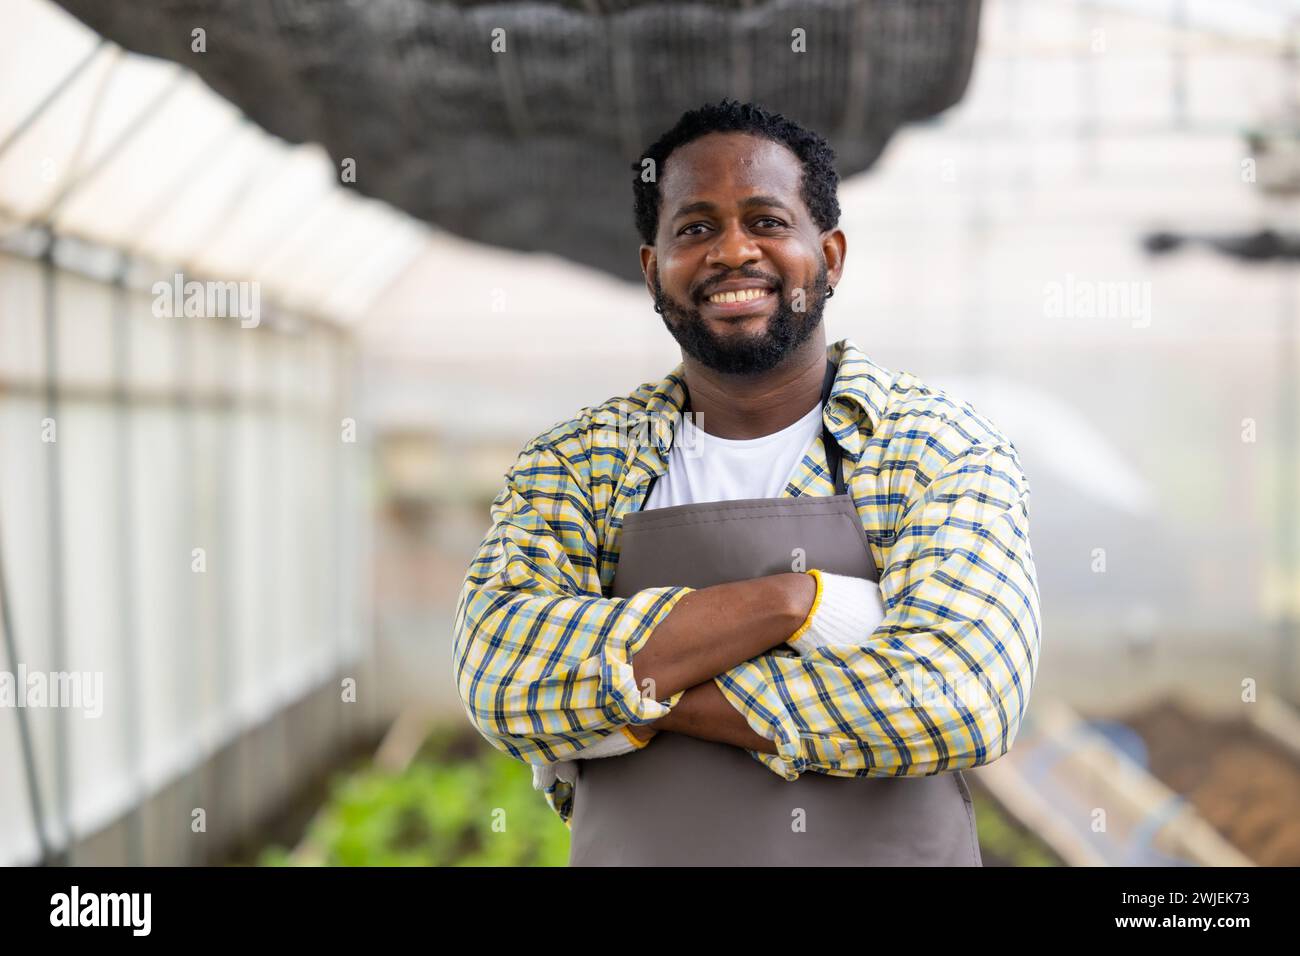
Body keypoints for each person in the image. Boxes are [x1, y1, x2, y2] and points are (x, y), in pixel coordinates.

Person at [451, 99, 1040, 866]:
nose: (733, 252)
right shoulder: (580, 463)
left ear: (828, 256)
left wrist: (638, 701)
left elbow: (957, 700)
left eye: (766, 220)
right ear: (652, 269)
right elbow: (499, 674)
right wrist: (792, 604)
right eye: (695, 229)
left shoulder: (935, 449)